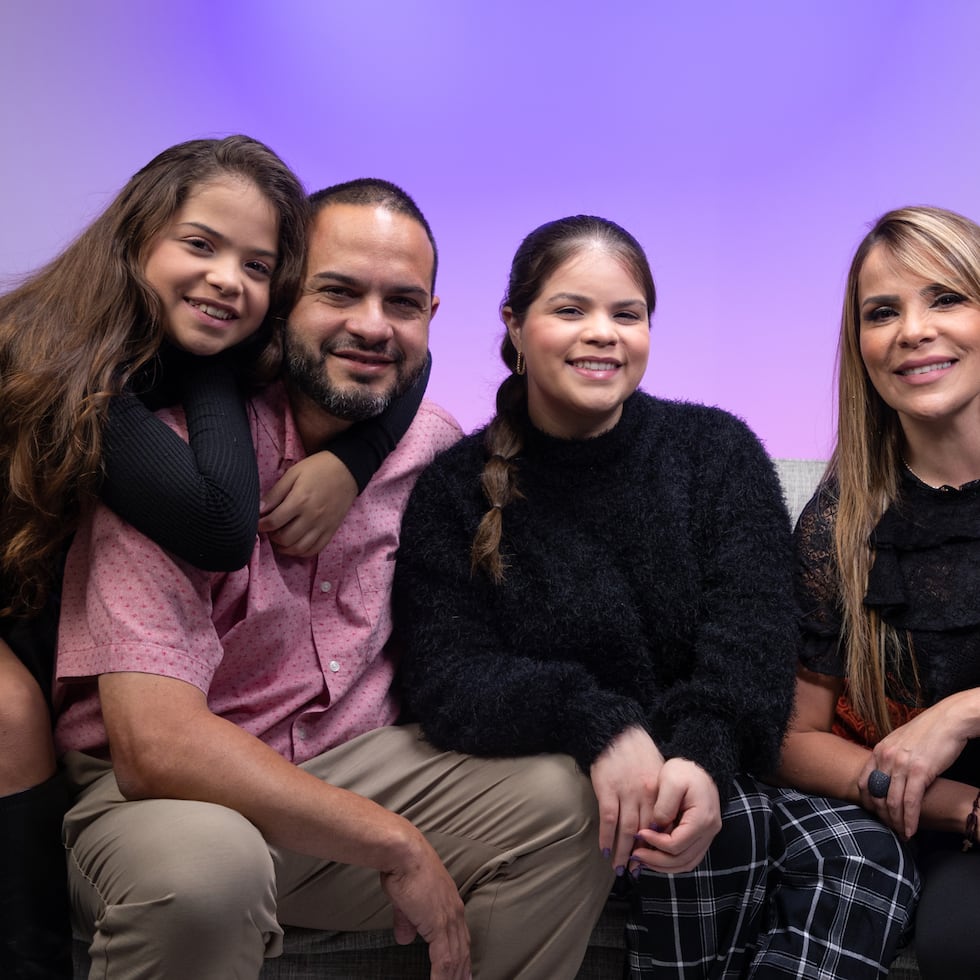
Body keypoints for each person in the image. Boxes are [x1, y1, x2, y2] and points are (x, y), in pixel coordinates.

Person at [54, 180, 613, 980]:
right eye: (339, 292)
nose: (372, 326)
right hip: (166, 802)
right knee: (207, 872)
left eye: (403, 303)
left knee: (568, 802)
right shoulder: (165, 458)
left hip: (351, 762)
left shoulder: (432, 447)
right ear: (282, 300)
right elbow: (155, 745)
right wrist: (390, 838)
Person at [392, 214, 919, 978]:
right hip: (574, 795)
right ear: (514, 323)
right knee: (693, 841)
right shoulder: (455, 489)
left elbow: (753, 639)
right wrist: (597, 725)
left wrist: (703, 759)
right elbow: (447, 676)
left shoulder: (715, 452)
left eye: (626, 314)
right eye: (571, 310)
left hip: (713, 770)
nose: (602, 333)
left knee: (867, 855)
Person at [0, 137, 426, 979]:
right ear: (133, 243)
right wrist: (226, 369)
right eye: (200, 245)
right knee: (11, 718)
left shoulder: (201, 348)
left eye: (258, 266)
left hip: (31, 595)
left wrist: (353, 456)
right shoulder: (63, 361)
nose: (228, 279)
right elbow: (223, 523)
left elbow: (405, 360)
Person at [778, 205, 980, 980]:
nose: (913, 330)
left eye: (947, 298)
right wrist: (957, 804)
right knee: (961, 939)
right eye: (882, 312)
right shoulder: (840, 520)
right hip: (952, 824)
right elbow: (793, 739)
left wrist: (961, 713)